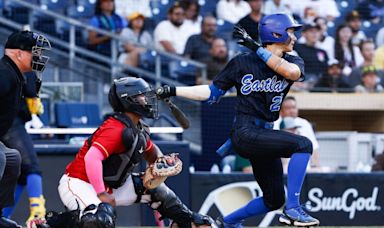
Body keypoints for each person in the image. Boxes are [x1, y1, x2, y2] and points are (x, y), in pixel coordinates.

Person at [157, 13, 320, 227]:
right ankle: (294, 210)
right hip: (245, 132)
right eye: (291, 32)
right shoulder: (242, 62)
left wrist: (255, 47)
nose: (295, 37)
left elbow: (289, 72)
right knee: (303, 144)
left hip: (265, 134)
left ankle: (228, 223)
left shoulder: (293, 60)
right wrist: (173, 89)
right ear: (277, 33)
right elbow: (211, 92)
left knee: (274, 199)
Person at [57, 77, 215, 227]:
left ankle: (185, 221)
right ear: (128, 101)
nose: (147, 100)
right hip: (80, 182)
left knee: (157, 190)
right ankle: (54, 224)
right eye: (141, 96)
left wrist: (162, 161)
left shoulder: (139, 128)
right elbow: (92, 158)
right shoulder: (115, 128)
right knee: (99, 220)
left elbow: (152, 153)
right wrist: (101, 194)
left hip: (110, 185)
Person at [0, 30, 50, 228]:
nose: (38, 57)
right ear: (19, 53)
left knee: (13, 158)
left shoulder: (15, 74)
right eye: (34, 52)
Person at [1, 72, 47, 228]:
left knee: (20, 174)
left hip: (2, 124)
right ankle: (37, 214)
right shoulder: (23, 72)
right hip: (10, 124)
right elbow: (35, 107)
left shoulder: (5, 71)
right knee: (32, 167)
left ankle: (1, 217)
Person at [275, 96, 321, 170]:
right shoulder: (275, 124)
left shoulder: (304, 123)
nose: (292, 111)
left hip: (304, 169)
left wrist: (317, 167)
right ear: (281, 111)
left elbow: (314, 148)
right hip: (282, 169)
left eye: (294, 107)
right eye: (288, 108)